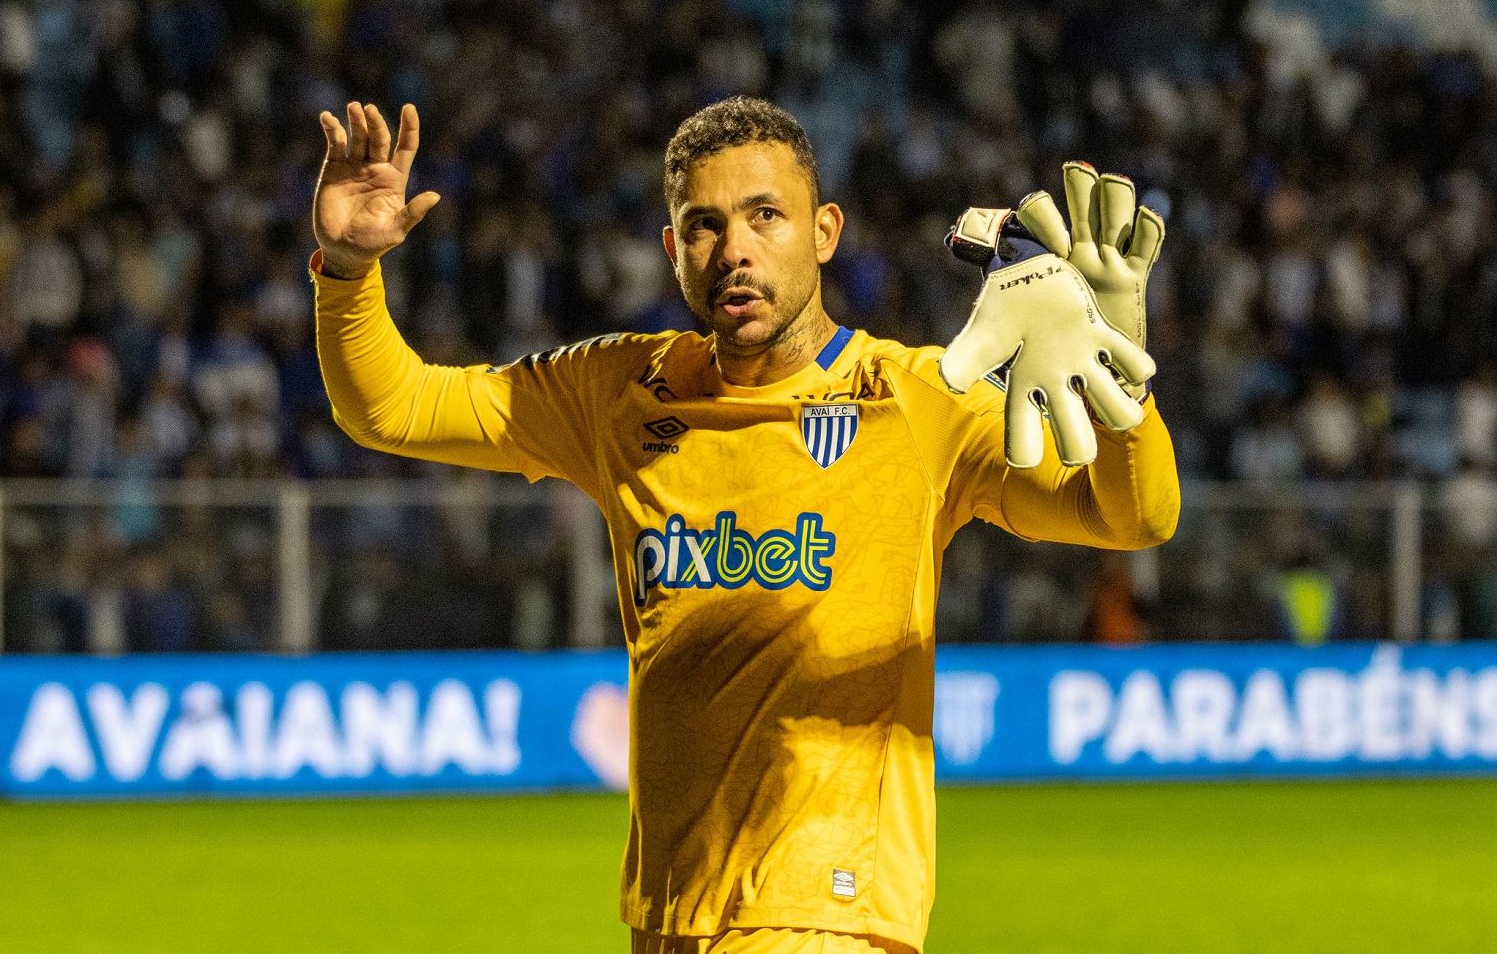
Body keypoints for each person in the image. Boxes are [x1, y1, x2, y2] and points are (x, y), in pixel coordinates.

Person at [310, 96, 1180, 954]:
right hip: (668, 912)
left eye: (766, 216)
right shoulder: (618, 392)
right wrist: (347, 273)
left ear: (824, 232)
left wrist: (1120, 392)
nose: (735, 250)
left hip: (827, 912)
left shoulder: (916, 398)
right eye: (704, 224)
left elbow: (1131, 515)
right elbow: (394, 407)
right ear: (672, 250)